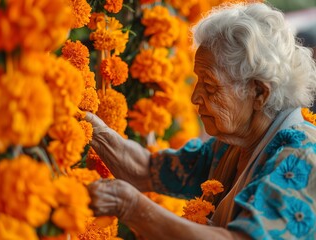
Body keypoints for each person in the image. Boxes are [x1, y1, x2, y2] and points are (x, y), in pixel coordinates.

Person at [85, 2, 316, 239]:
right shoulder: (234, 142)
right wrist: (92, 128)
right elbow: (147, 170)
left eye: (209, 86)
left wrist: (133, 208)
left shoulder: (301, 159)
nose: (195, 97)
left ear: (259, 92)